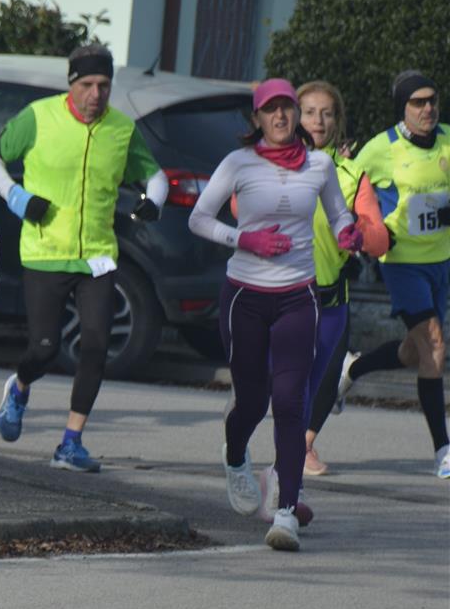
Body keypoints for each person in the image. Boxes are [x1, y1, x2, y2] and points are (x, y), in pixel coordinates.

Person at [188, 78, 364, 551]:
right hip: (245, 296)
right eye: (272, 109)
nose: (282, 116)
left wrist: (347, 233)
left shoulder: (320, 165)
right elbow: (198, 218)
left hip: (297, 297)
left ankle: (286, 511)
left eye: (288, 108)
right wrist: (243, 238)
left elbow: (339, 214)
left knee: (290, 402)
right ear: (258, 118)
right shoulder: (239, 163)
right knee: (252, 401)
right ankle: (236, 456)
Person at [0, 43, 168, 471]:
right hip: (45, 252)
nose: (96, 94)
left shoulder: (121, 129)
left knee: (96, 346)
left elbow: (155, 176)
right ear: (71, 84)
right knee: (45, 349)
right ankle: (20, 388)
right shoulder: (39, 117)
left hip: (98, 257)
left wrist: (153, 202)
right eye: (87, 85)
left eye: (104, 85)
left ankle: (70, 443)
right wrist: (17, 197)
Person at [338, 72, 450, 479]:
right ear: (403, 107)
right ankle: (443, 450)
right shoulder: (380, 148)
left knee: (415, 353)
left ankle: (352, 369)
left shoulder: (447, 139)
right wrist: (357, 233)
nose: (427, 108)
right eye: (418, 102)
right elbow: (343, 186)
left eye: (432, 100)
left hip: (442, 261)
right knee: (434, 345)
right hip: (402, 264)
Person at [294, 81, 387, 476]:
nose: (318, 120)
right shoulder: (274, 164)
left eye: (327, 113)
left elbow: (379, 239)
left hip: (331, 293)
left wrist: (357, 230)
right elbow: (237, 204)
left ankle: (303, 445)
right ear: (294, 117)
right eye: (310, 112)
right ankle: (242, 434)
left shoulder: (350, 173)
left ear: (337, 120)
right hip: (281, 290)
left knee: (327, 374)